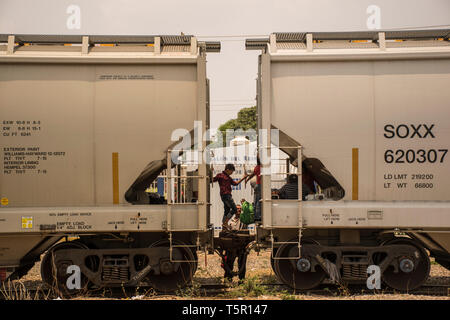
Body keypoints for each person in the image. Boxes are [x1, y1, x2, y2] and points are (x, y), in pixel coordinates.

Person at [213, 164, 247, 230]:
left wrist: (243, 178)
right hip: (226, 195)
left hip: (225, 196)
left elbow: (235, 183)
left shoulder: (228, 177)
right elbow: (212, 180)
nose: (231, 173)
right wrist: (209, 173)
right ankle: (225, 223)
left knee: (227, 210)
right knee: (234, 209)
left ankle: (224, 225)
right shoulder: (220, 175)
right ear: (227, 170)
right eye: (231, 171)